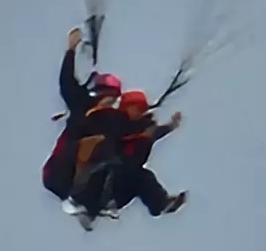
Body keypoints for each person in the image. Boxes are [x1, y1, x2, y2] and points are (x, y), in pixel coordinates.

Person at [74, 89, 187, 219]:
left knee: (143, 176)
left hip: (121, 185)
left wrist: (171, 125)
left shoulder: (142, 130)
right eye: (137, 108)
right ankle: (90, 204)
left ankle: (161, 204)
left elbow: (154, 133)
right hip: (101, 178)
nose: (140, 112)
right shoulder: (116, 125)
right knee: (126, 167)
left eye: (142, 110)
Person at [41, 27, 121, 202]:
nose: (110, 102)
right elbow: (67, 83)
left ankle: (94, 202)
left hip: (77, 177)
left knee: (113, 153)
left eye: (114, 99)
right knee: (96, 142)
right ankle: (80, 190)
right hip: (58, 169)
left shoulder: (111, 120)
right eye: (109, 96)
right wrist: (71, 49)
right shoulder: (82, 103)